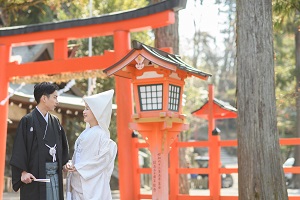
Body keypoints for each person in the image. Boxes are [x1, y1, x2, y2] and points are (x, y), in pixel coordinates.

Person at [10, 82, 70, 200]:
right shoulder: (27, 121)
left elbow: (63, 148)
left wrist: (65, 163)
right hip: (35, 178)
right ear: (44, 98)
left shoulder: (55, 122)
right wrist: (23, 172)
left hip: (55, 177)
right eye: (55, 97)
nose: (57, 101)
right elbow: (19, 149)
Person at [66, 89, 117, 200]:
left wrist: (79, 167)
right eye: (85, 108)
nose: (84, 111)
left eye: (88, 109)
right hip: (79, 180)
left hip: (94, 184)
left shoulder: (101, 134)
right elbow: (79, 156)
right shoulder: (86, 132)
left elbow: (102, 160)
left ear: (97, 111)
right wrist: (71, 164)